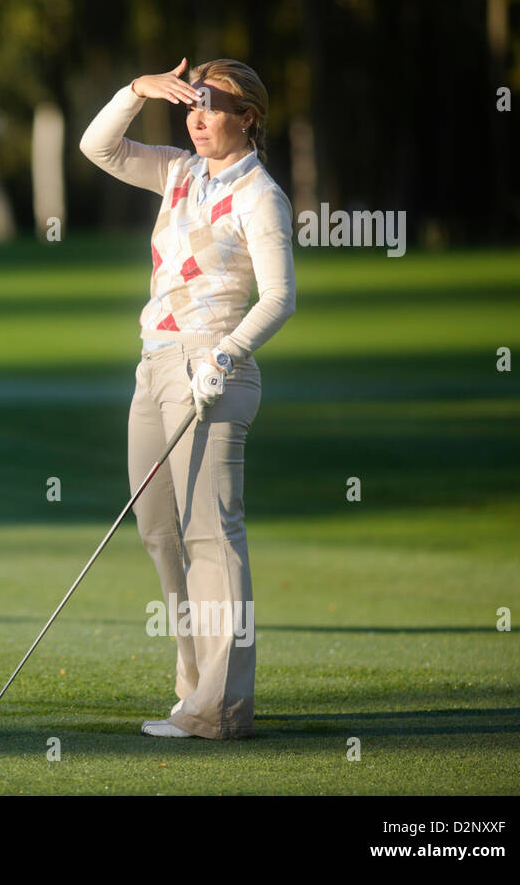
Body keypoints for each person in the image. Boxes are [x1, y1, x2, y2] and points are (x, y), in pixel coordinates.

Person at [79, 58, 296, 739]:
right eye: (190, 107)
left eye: (212, 107)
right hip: (155, 365)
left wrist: (227, 354)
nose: (197, 119)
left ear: (248, 118)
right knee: (159, 532)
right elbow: (98, 147)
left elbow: (281, 296)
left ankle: (221, 709)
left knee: (212, 535)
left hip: (215, 369)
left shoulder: (261, 195)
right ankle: (193, 690)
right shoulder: (178, 171)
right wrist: (134, 91)